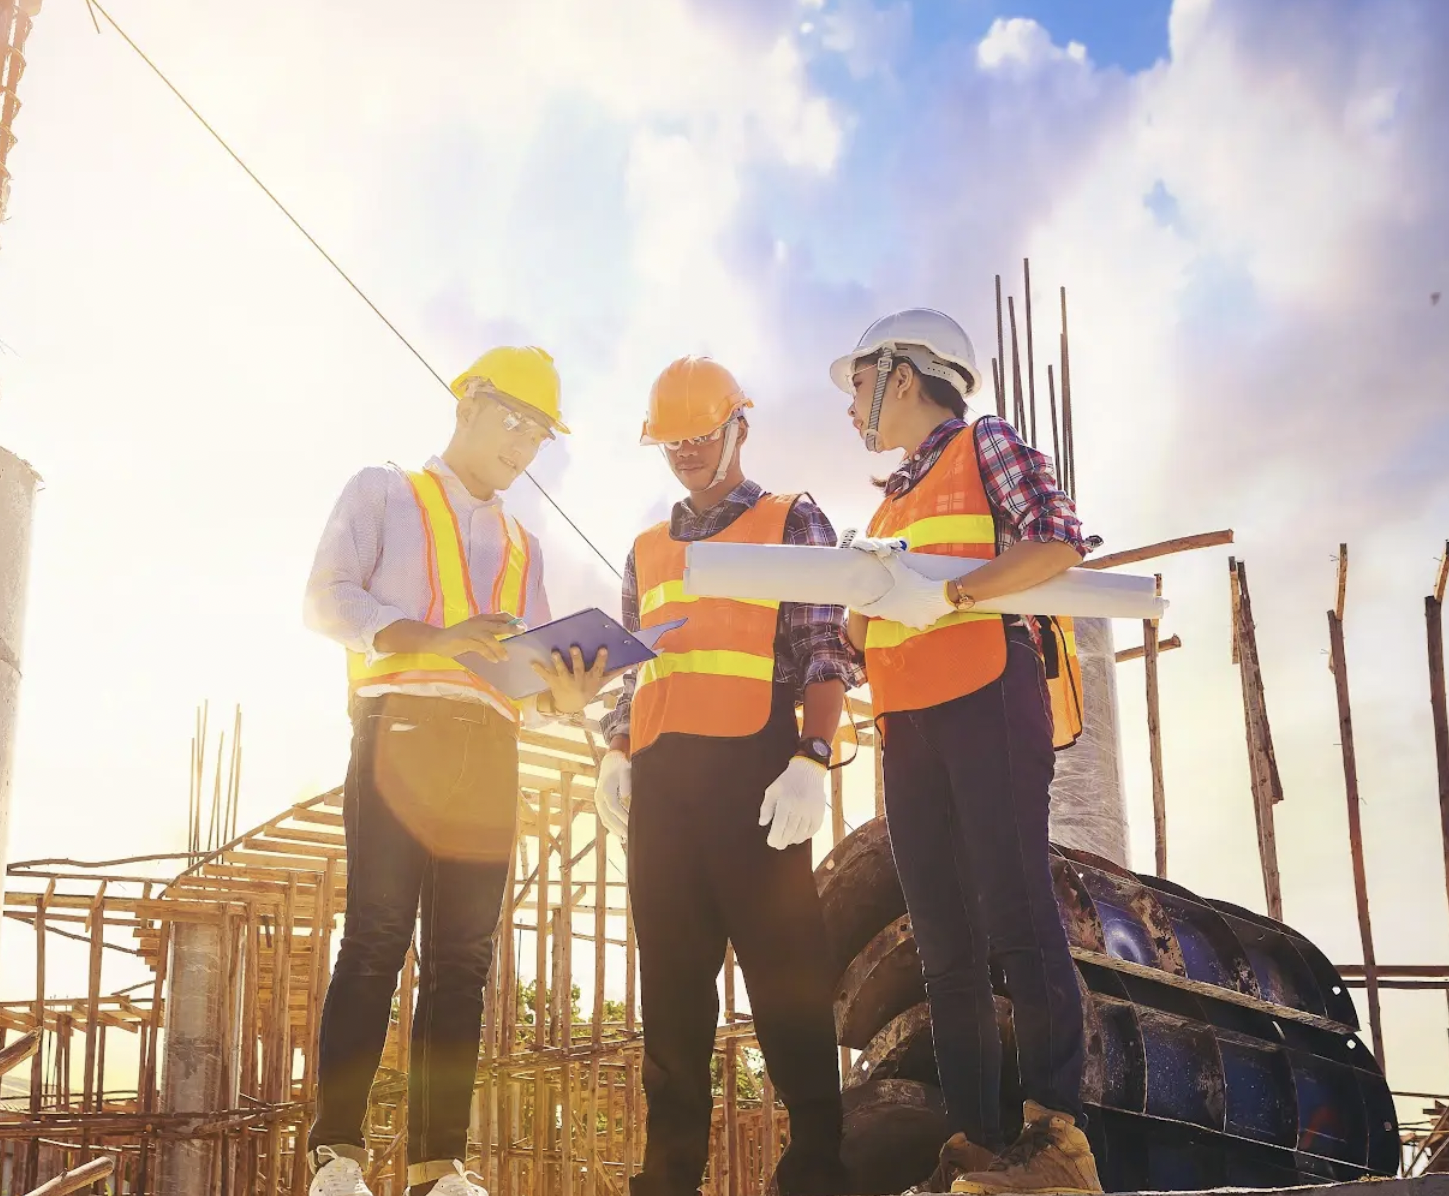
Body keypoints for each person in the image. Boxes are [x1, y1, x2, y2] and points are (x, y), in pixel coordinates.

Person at [302, 345, 616, 1196]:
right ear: (467, 403)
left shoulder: (525, 543)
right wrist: (435, 639)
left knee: (462, 960)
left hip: (491, 745)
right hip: (401, 726)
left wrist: (567, 692)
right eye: (515, 422)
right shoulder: (385, 492)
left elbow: (534, 671)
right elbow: (327, 600)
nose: (525, 448)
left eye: (541, 436)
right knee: (374, 940)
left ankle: (439, 1167)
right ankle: (337, 1156)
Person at [830, 308, 1100, 1196]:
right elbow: (866, 634)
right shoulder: (885, 506)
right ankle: (982, 1139)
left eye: (860, 380)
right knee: (944, 942)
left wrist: (959, 596)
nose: (853, 401)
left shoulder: (984, 444)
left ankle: (1056, 1140)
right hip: (911, 729)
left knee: (1017, 909)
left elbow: (1056, 539)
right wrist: (859, 606)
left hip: (988, 696)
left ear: (904, 375)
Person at [594, 357, 856, 1196]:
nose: (686, 455)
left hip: (756, 780)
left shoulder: (792, 519)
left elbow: (824, 648)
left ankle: (816, 1171)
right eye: (671, 443)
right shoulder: (645, 547)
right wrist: (615, 749)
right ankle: (668, 1179)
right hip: (665, 789)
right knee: (671, 1002)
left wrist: (812, 756)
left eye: (701, 438)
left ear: (739, 426)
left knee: (787, 983)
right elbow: (634, 667)